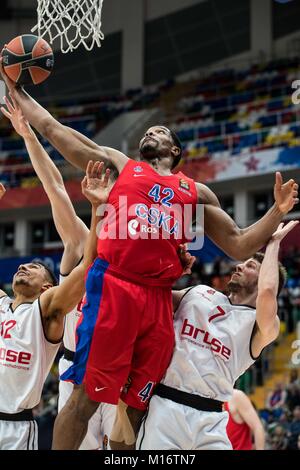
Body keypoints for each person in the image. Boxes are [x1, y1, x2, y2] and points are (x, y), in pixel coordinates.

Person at [1, 69, 298, 450]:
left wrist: (276, 211)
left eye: (158, 132)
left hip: (157, 298)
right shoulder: (122, 167)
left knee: (136, 405)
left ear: (175, 151)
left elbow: (239, 244)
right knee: (87, 397)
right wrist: (16, 87)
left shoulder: (194, 194)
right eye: (147, 131)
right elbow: (56, 129)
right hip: (115, 286)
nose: (149, 133)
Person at [0, 94, 117, 450]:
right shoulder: (84, 244)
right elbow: (55, 189)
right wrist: (28, 135)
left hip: (116, 371)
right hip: (73, 370)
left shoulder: (138, 261)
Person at [137, 221, 298, 449]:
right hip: (166, 408)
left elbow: (268, 292)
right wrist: (170, 266)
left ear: (263, 278)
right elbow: (151, 294)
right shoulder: (199, 292)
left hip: (212, 420)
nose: (239, 266)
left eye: (250, 266)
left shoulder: (260, 327)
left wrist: (273, 243)